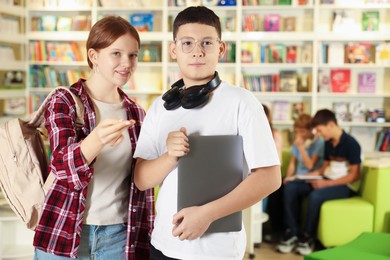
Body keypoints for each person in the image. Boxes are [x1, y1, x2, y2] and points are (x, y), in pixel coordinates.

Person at [133, 6, 281, 260]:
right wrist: (170, 156)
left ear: (221, 49)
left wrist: (206, 214)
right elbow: (141, 179)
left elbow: (269, 177)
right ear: (173, 49)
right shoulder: (160, 106)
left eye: (207, 43)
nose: (197, 51)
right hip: (163, 244)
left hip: (218, 251)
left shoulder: (242, 102)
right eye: (187, 43)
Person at [33, 16, 154, 259]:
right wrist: (96, 139)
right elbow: (62, 166)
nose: (126, 63)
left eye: (133, 55)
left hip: (119, 236)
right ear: (94, 56)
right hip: (63, 230)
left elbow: (141, 181)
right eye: (116, 53)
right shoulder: (64, 100)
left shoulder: (137, 113)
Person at [277, 109, 361, 256]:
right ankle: (293, 233)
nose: (319, 134)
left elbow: (354, 176)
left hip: (343, 186)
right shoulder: (329, 143)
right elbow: (323, 169)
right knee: (291, 187)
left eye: (321, 131)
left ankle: (308, 237)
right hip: (325, 180)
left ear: (330, 125)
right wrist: (301, 177)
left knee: (315, 196)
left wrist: (326, 184)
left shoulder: (352, 143)